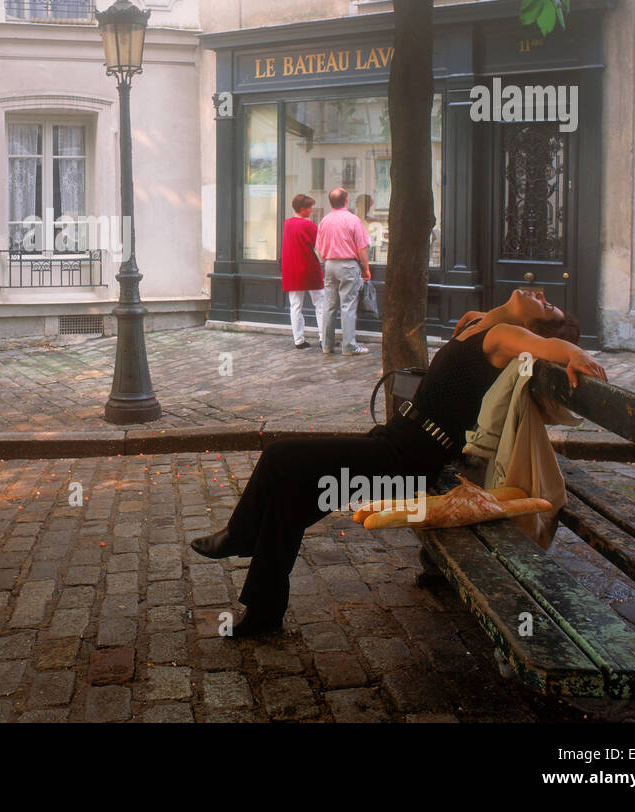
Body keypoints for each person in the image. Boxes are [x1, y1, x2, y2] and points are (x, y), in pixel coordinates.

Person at [189, 288, 606, 637]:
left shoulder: (503, 336)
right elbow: (510, 330)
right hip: (396, 444)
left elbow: (544, 346)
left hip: (407, 461)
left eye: (547, 307)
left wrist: (570, 351)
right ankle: (264, 613)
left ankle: (239, 537)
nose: (541, 295)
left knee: (281, 456)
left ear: (530, 325)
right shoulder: (481, 322)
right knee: (290, 496)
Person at [315, 187, 371, 356]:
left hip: (330, 264)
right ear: (346, 200)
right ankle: (349, 346)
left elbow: (318, 248)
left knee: (329, 306)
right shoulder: (353, 220)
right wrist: (366, 269)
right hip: (348, 265)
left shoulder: (324, 220)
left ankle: (327, 345)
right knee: (348, 306)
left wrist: (328, 261)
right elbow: (362, 248)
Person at [281, 195, 324, 350]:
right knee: (320, 304)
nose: (311, 210)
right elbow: (320, 245)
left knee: (295, 306)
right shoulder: (309, 225)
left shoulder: (287, 224)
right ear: (302, 209)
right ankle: (324, 338)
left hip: (291, 269)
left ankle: (298, 340)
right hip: (309, 268)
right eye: (309, 207)